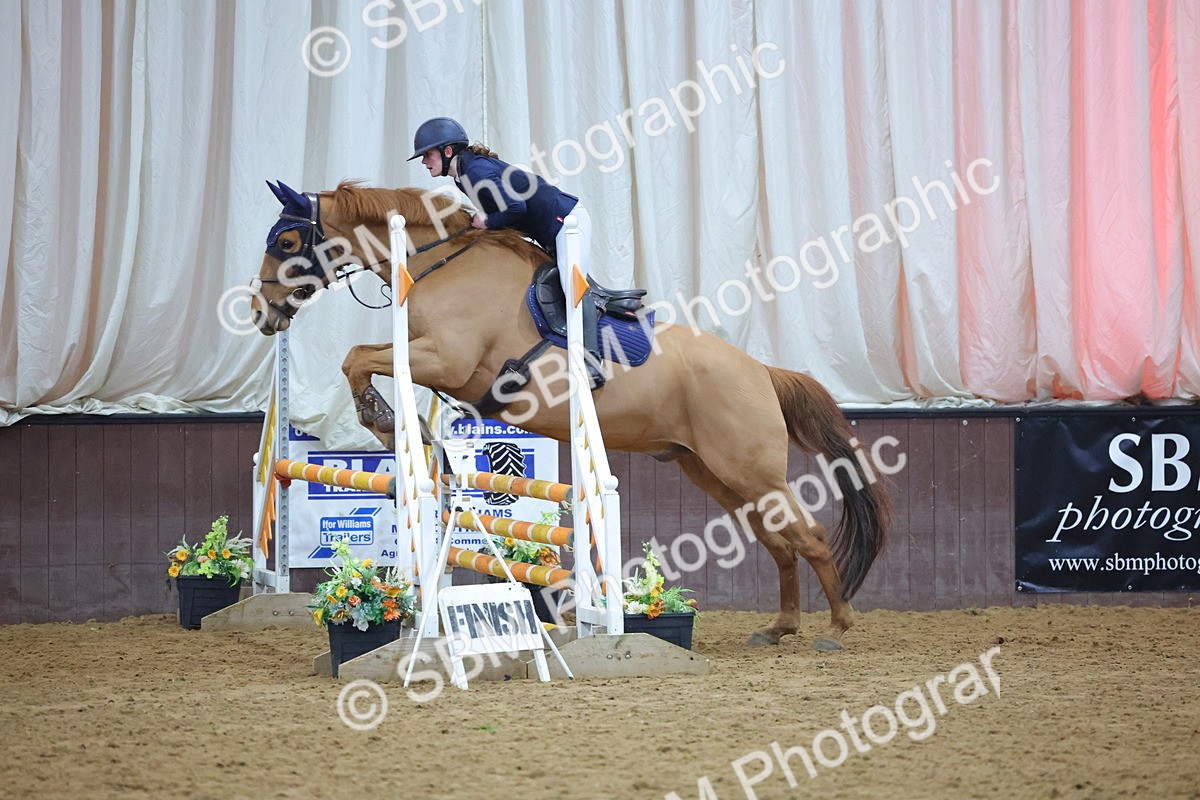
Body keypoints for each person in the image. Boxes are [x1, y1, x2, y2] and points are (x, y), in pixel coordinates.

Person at [408, 116, 606, 386]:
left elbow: (515, 208)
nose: (424, 161)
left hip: (567, 222)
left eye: (427, 155)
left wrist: (487, 221)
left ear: (448, 151)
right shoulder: (463, 176)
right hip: (548, 229)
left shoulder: (475, 171)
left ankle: (592, 363)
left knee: (572, 285)